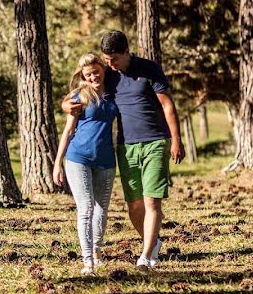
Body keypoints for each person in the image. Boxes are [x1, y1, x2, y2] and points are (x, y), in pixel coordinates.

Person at [62, 31, 184, 270]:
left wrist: (176, 140)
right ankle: (153, 242)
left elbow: (167, 104)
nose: (109, 65)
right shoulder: (110, 76)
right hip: (126, 147)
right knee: (134, 206)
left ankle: (147, 257)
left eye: (114, 59)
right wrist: (66, 104)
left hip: (155, 142)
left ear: (127, 52)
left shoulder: (150, 69)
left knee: (152, 203)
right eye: (106, 60)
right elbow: (84, 88)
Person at [53, 53, 118, 275]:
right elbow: (68, 130)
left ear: (103, 68)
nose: (93, 77)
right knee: (86, 208)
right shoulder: (79, 95)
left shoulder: (113, 92)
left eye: (96, 72)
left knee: (102, 209)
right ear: (83, 75)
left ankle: (97, 253)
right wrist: (57, 163)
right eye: (88, 74)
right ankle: (87, 260)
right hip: (78, 158)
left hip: (107, 160)